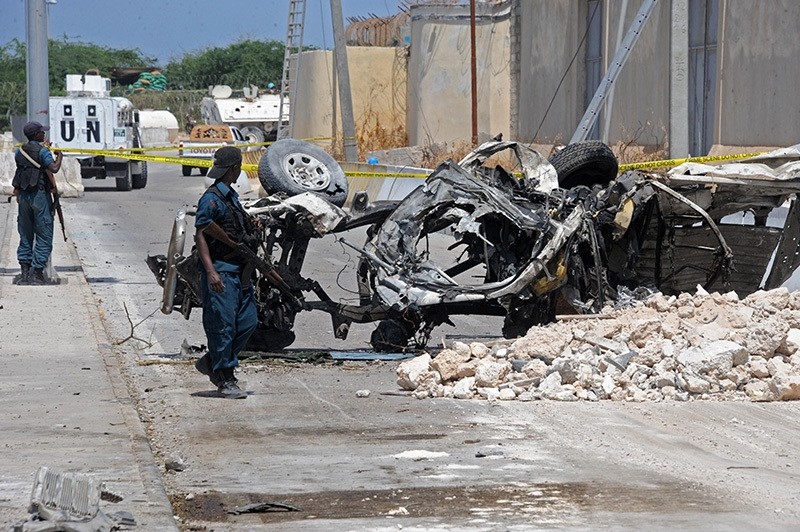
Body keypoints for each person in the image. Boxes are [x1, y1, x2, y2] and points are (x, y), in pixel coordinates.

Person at [192, 146, 259, 399]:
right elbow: (201, 233)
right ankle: (224, 377)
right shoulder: (210, 199)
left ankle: (212, 361)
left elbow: (234, 226)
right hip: (221, 272)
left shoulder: (230, 197)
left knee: (248, 322)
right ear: (236, 168)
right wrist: (211, 272)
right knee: (222, 327)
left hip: (240, 272)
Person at [12, 121, 63, 285]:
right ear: (36, 135)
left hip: (23, 197)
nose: (44, 134)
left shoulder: (19, 152)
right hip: (39, 197)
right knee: (44, 234)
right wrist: (59, 155)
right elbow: (53, 168)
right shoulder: (43, 151)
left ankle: (24, 273)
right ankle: (37, 273)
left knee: (25, 234)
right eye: (41, 132)